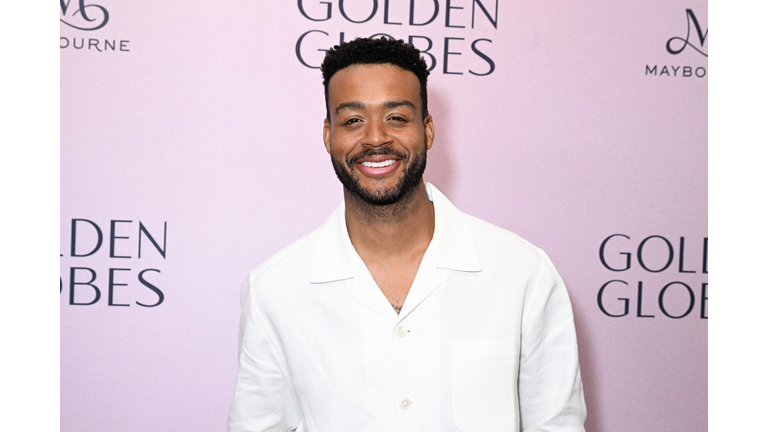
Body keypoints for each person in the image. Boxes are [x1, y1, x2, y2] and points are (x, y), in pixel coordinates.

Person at [228, 37, 587, 432]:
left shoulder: (523, 273)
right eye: (352, 120)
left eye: (396, 117)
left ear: (428, 130)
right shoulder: (274, 288)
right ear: (328, 135)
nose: (376, 138)